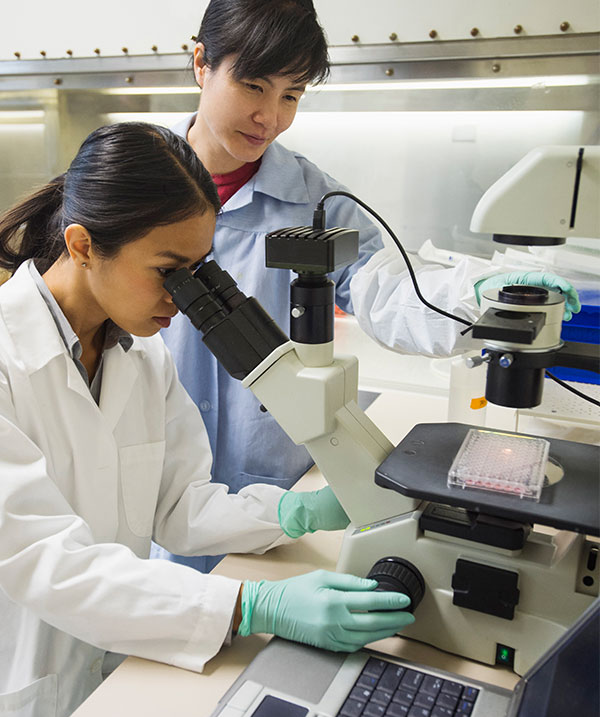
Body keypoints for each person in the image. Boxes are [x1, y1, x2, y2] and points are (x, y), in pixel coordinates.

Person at [0, 121, 416, 717]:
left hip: (116, 670)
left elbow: (177, 505)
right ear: (82, 245)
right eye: (169, 270)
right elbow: (47, 563)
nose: (185, 297)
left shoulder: (140, 354)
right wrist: (250, 606)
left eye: (198, 269)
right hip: (24, 687)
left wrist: (296, 512)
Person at [158, 0, 580, 572]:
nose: (270, 117)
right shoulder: (136, 182)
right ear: (202, 63)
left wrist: (479, 294)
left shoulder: (314, 198)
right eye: (254, 86)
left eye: (291, 95)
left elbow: (390, 288)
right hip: (153, 482)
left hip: (280, 493)